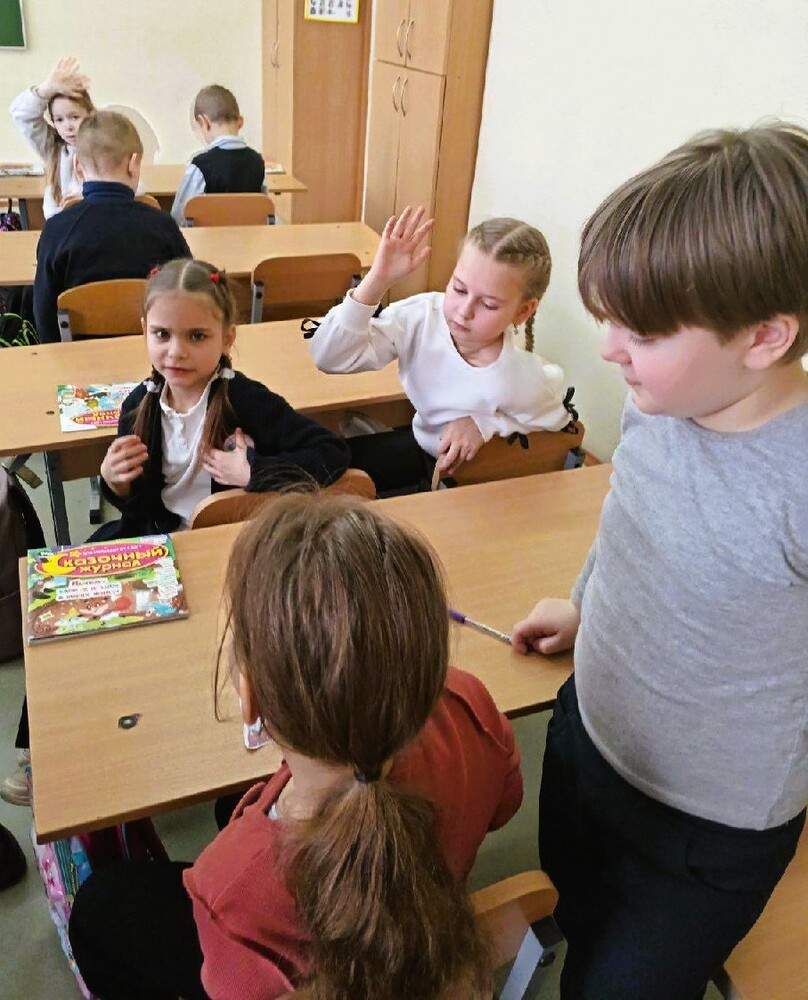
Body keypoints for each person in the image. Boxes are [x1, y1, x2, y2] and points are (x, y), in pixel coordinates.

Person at [512, 122, 808, 1000]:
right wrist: (584, 603)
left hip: (705, 833)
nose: (608, 348)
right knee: (574, 904)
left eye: (638, 330)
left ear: (764, 337)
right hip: (588, 739)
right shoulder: (657, 399)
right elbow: (630, 517)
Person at [68, 492, 523, 999]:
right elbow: (505, 805)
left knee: (100, 907)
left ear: (250, 699)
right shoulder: (470, 702)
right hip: (430, 925)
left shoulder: (227, 889)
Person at [309, 206, 572, 494]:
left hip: (473, 485)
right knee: (317, 469)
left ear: (523, 311)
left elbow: (560, 417)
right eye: (458, 289)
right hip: (423, 450)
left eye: (488, 305)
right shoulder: (421, 316)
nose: (464, 311)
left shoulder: (523, 377)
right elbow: (329, 357)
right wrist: (377, 279)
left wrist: (484, 424)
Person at [94, 259, 349, 540]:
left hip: (234, 540)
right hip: (163, 542)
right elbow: (138, 509)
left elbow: (330, 452)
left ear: (227, 338)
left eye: (197, 336)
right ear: (145, 332)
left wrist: (254, 471)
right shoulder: (137, 406)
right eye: (162, 334)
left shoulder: (246, 400)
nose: (176, 351)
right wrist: (115, 483)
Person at [32, 110, 190, 344]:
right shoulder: (163, 225)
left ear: (77, 167)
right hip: (154, 354)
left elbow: (43, 313)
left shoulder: (57, 229)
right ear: (134, 164)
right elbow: (190, 290)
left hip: (78, 358)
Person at [10, 56, 94, 218]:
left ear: (90, 115)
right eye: (59, 120)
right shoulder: (53, 148)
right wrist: (45, 90)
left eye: (74, 117)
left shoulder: (103, 147)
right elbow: (21, 115)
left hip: (94, 225)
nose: (68, 126)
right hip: (60, 226)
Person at [171, 84, 265, 225]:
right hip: (249, 238)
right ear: (240, 122)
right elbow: (264, 210)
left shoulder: (199, 166)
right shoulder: (258, 162)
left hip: (207, 239)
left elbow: (179, 216)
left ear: (204, 122)